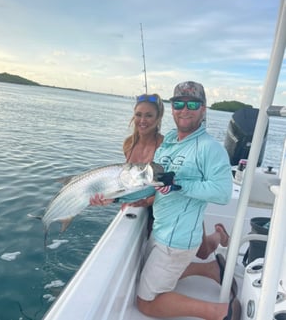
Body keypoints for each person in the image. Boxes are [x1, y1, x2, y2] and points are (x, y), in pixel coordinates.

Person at [136, 81, 240, 320]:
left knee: (146, 302)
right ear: (171, 108)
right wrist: (120, 197)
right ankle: (211, 268)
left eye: (192, 104)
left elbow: (222, 192)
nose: (185, 109)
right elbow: (158, 184)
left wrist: (180, 185)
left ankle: (222, 312)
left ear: (203, 109)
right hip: (161, 230)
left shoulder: (209, 148)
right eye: (178, 103)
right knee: (143, 274)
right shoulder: (169, 144)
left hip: (177, 240)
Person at [90, 92, 230, 260]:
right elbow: (130, 180)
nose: (143, 120)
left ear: (158, 118)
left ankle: (219, 236)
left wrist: (147, 200)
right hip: (149, 203)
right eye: (138, 115)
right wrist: (116, 197)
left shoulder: (166, 145)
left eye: (149, 115)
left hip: (171, 205)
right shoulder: (129, 144)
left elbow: (167, 183)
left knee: (202, 251)